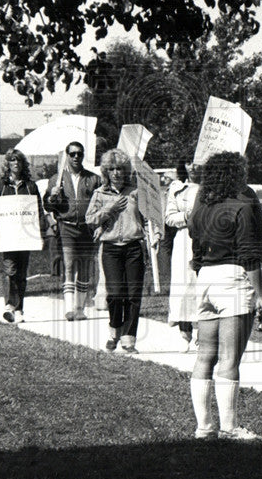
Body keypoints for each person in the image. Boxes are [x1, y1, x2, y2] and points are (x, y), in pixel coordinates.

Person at [187, 151, 262, 440]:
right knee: (230, 359)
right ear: (237, 175)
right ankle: (230, 427)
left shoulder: (202, 207)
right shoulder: (242, 205)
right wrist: (261, 297)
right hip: (233, 279)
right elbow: (250, 256)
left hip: (205, 278)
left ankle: (204, 427)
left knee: (205, 356)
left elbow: (195, 247)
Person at [86, 149, 160, 353]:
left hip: (134, 246)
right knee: (116, 293)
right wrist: (109, 209)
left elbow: (148, 218)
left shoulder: (136, 192)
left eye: (120, 168)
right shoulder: (100, 194)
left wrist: (155, 235)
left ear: (126, 170)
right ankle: (114, 329)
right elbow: (90, 220)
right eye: (112, 169)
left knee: (133, 294)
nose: (116, 173)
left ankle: (129, 338)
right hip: (111, 248)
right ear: (106, 172)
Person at [0, 148, 45, 323]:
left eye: (18, 160)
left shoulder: (30, 186)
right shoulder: (0, 187)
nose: (15, 163)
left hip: (26, 235)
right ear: (7, 164)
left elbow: (38, 210)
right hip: (8, 236)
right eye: (12, 160)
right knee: (10, 269)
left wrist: (41, 232)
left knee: (22, 273)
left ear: (22, 163)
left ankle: (19, 309)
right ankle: (10, 305)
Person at [43, 141, 101, 320]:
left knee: (84, 267)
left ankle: (80, 308)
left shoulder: (93, 178)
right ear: (67, 156)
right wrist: (53, 196)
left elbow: (100, 203)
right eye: (73, 154)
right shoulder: (56, 179)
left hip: (86, 228)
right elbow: (48, 205)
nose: (76, 157)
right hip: (66, 226)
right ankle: (69, 309)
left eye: (79, 154)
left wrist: (98, 224)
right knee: (68, 266)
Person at [165, 162, 201, 351]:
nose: (194, 166)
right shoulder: (177, 188)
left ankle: (203, 334)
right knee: (184, 285)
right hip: (184, 239)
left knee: (202, 284)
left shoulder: (211, 187)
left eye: (197, 161)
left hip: (205, 238)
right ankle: (184, 333)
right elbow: (169, 217)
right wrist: (187, 216)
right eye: (189, 162)